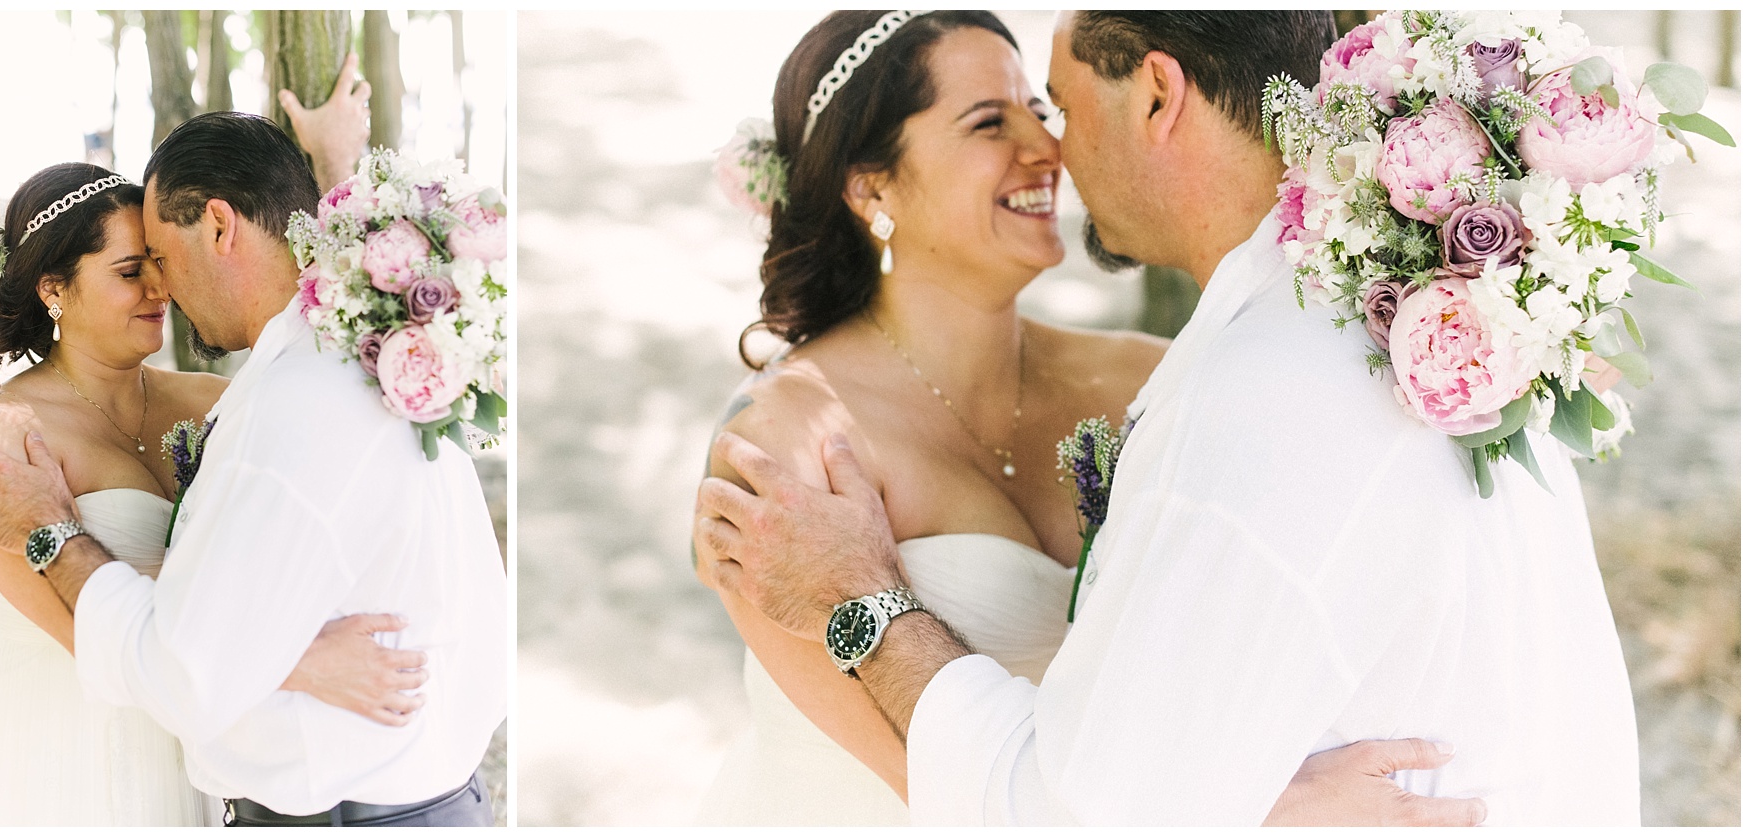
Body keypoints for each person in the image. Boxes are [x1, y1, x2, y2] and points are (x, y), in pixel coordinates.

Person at [696, 10, 1639, 826]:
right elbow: (945, 789)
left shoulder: (1164, 383)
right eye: (994, 120)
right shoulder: (780, 446)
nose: (1045, 146)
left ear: (1157, 96)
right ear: (873, 188)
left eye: (1046, 106)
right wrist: (1246, 808)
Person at [0, 107, 507, 826]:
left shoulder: (229, 405)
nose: (158, 289)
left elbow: (234, 594)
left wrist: (332, 166)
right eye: (132, 269)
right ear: (54, 289)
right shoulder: (4, 441)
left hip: (194, 725)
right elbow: (80, 630)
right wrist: (296, 661)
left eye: (157, 260)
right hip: (77, 742)